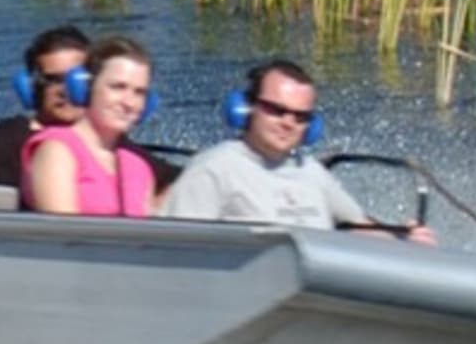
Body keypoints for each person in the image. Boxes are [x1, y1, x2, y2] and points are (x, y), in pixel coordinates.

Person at [161, 60, 436, 244]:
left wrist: (404, 239)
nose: (288, 122)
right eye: (276, 110)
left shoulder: (311, 171)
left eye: (300, 116)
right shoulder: (214, 169)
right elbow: (178, 251)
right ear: (249, 107)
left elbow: (358, 225)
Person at [22, 37, 157, 218]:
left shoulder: (139, 166)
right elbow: (62, 233)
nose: (129, 102)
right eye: (118, 87)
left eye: (139, 92)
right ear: (86, 88)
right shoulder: (57, 150)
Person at [0, 26, 91, 187]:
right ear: (30, 87)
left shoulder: (111, 145)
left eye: (76, 79)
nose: (64, 90)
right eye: (53, 80)